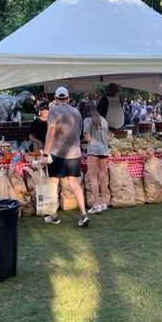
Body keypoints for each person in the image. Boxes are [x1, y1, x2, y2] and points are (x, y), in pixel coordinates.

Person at [42, 87, 89, 227]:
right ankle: (84, 214)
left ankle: (53, 215)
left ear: (56, 99)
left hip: (57, 153)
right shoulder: (76, 112)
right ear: (68, 98)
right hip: (74, 153)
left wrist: (45, 153)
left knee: (53, 183)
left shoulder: (53, 111)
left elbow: (50, 132)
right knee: (74, 183)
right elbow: (79, 132)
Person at [83, 101, 110, 214]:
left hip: (93, 150)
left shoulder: (87, 120)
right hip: (104, 150)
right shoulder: (103, 120)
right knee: (102, 176)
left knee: (93, 177)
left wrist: (84, 140)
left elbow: (88, 138)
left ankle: (96, 204)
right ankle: (104, 202)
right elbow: (107, 135)